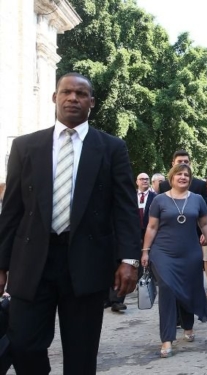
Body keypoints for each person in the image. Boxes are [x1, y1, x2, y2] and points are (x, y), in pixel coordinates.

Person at [0, 72, 140, 374]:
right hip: (31, 262)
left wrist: (129, 258)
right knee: (23, 344)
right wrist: (1, 263)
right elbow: (11, 210)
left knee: (81, 354)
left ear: (92, 101)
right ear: (55, 97)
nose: (72, 98)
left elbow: (125, 208)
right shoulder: (26, 147)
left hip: (86, 263)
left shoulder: (111, 148)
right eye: (66, 92)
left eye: (80, 94)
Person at [141, 163, 207, 357]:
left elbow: (205, 222)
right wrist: (145, 251)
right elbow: (151, 227)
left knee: (188, 288)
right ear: (171, 177)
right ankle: (166, 339)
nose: (183, 177)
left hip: (190, 253)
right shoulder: (159, 200)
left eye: (186, 175)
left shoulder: (197, 199)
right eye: (179, 174)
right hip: (163, 253)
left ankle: (188, 325)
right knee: (168, 289)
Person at [106, 173, 156, 312]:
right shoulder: (130, 195)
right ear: (137, 181)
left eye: (147, 179)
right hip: (126, 233)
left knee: (136, 263)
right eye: (142, 179)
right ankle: (112, 299)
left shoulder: (155, 197)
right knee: (118, 262)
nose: (144, 181)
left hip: (145, 233)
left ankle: (121, 296)